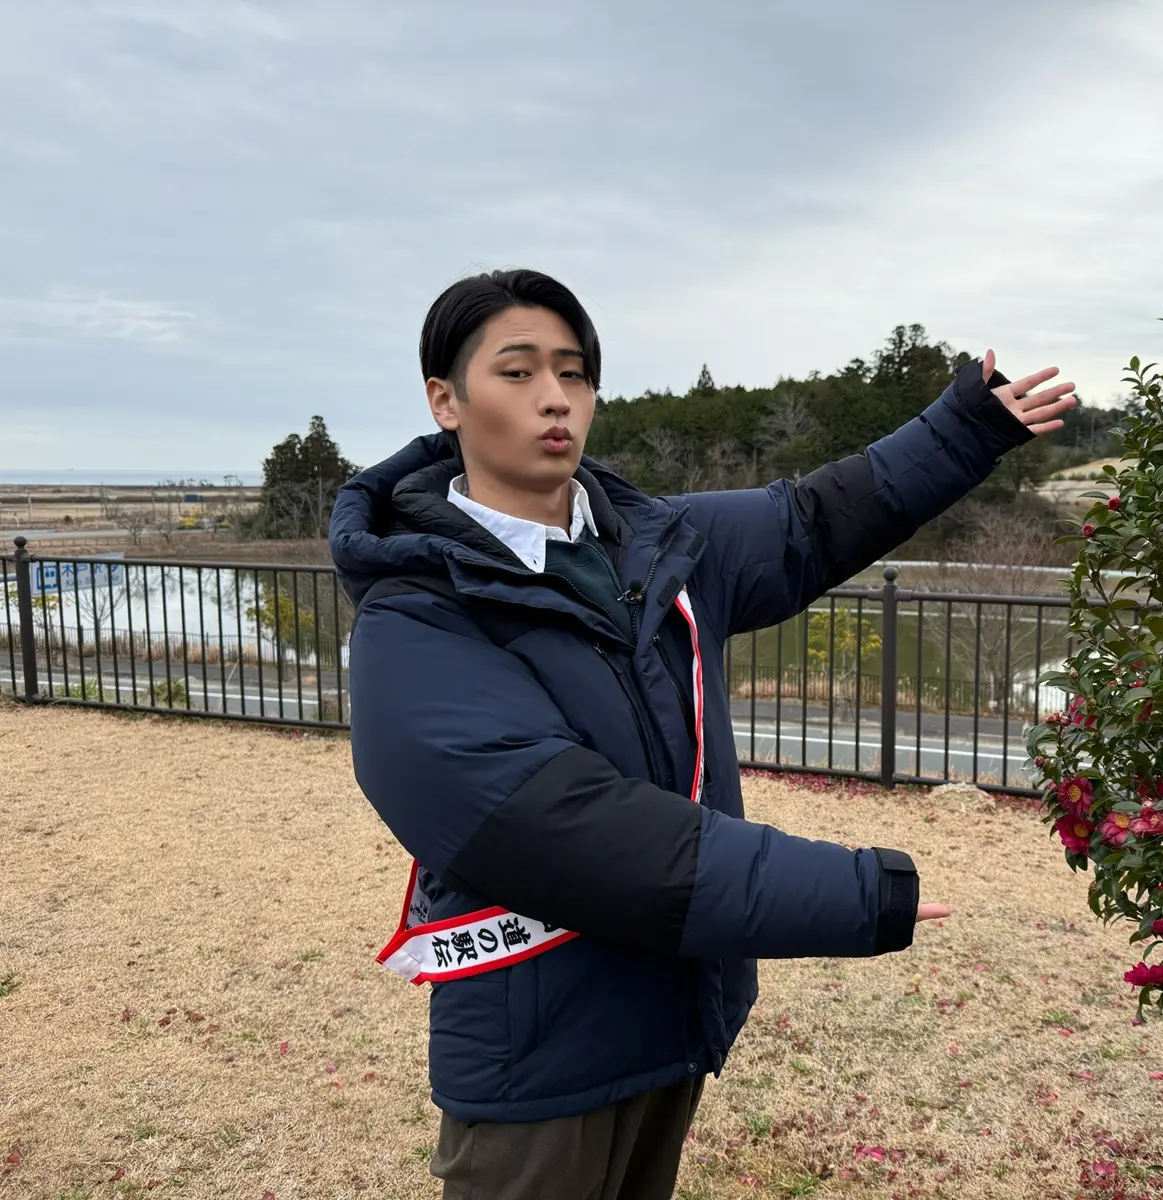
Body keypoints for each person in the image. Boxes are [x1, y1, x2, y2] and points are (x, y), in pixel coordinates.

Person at [329, 269, 1076, 1199]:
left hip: (673, 1019)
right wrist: (849, 895)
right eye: (517, 373)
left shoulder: (655, 545)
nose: (555, 398)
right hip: (541, 1058)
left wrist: (965, 427)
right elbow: (572, 830)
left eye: (574, 372)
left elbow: (813, 520)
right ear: (446, 400)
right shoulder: (413, 619)